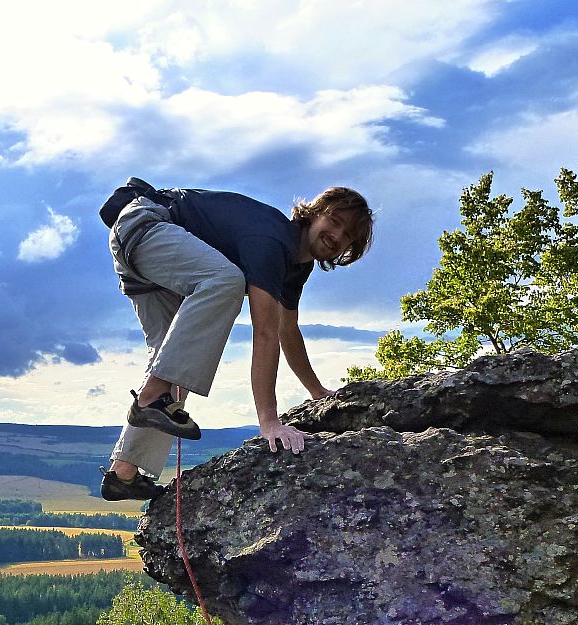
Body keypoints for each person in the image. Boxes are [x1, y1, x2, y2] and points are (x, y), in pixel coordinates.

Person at [98, 179, 374, 501]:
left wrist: (317, 393)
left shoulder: (296, 266)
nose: (337, 236)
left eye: (348, 236)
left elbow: (287, 331)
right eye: (335, 221)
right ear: (313, 214)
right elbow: (266, 333)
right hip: (146, 225)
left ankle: (123, 475)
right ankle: (151, 398)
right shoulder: (272, 240)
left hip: (143, 256)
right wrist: (269, 422)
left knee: (175, 365)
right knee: (227, 281)